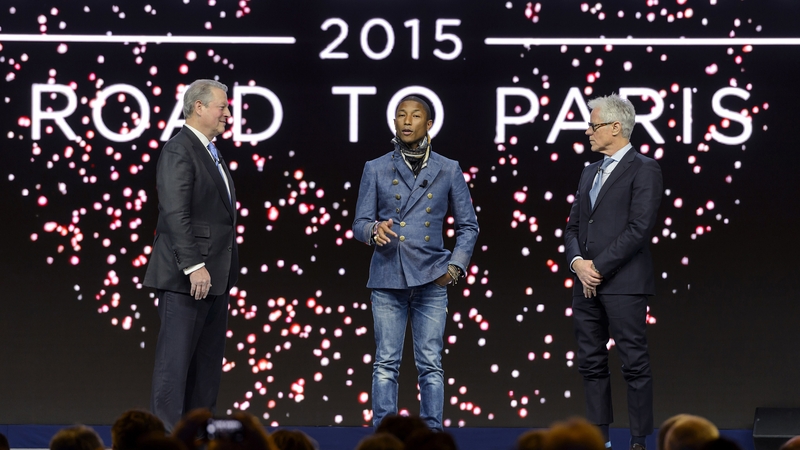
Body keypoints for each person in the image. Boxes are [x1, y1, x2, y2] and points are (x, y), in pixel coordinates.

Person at [353, 96, 479, 431]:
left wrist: (453, 268)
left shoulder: (448, 168)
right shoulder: (376, 167)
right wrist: (372, 230)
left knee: (431, 366)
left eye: (415, 115)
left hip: (431, 278)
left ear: (429, 124)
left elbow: (469, 225)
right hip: (387, 278)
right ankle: (384, 435)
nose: (407, 121)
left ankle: (433, 434)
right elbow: (359, 222)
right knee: (385, 364)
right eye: (400, 115)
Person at [564, 93, 663, 450]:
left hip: (623, 284)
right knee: (591, 363)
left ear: (616, 127)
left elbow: (639, 228)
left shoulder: (644, 168)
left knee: (634, 364)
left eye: (593, 125)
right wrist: (578, 264)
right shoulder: (589, 171)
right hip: (585, 284)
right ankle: (599, 438)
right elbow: (573, 227)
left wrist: (598, 268)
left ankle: (638, 440)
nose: (588, 132)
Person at [144, 79, 239, 431]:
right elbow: (175, 213)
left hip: (215, 279)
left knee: (206, 371)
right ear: (199, 108)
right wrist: (194, 265)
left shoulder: (210, 152)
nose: (228, 114)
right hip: (188, 278)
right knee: (175, 368)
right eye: (223, 107)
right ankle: (166, 440)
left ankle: (197, 436)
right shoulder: (179, 149)